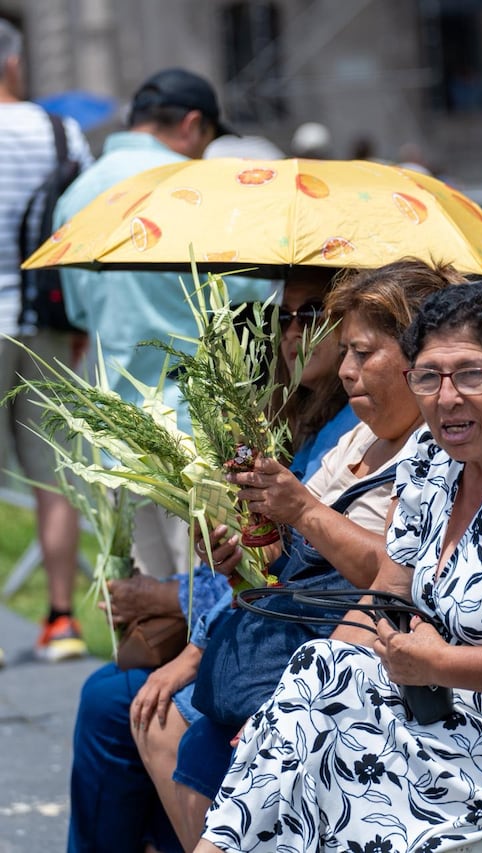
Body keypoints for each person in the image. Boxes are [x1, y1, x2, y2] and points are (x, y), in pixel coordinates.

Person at [194, 280, 482, 853]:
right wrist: (301, 701)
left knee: (342, 770)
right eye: (429, 376)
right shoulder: (435, 459)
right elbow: (388, 591)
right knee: (307, 696)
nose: (447, 397)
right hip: (456, 703)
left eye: (471, 375)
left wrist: (441, 664)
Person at [132, 259, 466, 852]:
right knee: (157, 721)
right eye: (342, 351)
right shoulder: (359, 432)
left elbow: (397, 580)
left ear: (416, 355)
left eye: (362, 353)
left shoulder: (435, 453)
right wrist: (250, 549)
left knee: (167, 728)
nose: (346, 370)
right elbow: (305, 560)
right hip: (302, 648)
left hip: (359, 671)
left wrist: (301, 510)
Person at [66, 268, 355, 853]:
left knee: (121, 702)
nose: (294, 334)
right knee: (116, 694)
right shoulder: (301, 421)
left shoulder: (352, 433)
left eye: (313, 316)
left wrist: (178, 610)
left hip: (294, 649)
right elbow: (273, 563)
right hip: (260, 631)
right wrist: (222, 564)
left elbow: (330, 578)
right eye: (285, 318)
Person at [54, 67, 231, 580]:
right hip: (193, 423)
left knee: (145, 605)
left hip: (111, 430)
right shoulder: (196, 186)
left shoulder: (77, 193)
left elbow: (77, 312)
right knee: (208, 596)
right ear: (193, 124)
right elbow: (243, 293)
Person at [0, 18, 94, 661]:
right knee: (54, 474)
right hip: (44, 322)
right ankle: (61, 620)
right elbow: (85, 227)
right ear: (13, 62)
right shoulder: (59, 131)